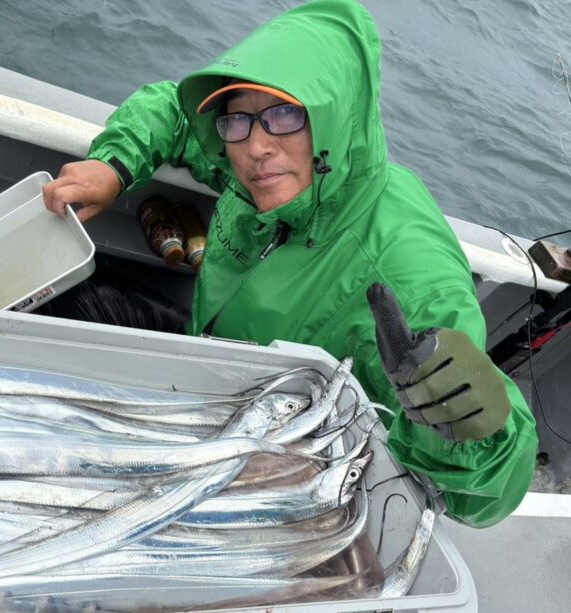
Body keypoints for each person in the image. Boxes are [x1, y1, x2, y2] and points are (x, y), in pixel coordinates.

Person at [42, 0, 538, 527]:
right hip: (206, 371)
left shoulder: (407, 273)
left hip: (276, 455)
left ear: (333, 120)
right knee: (56, 293)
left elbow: (489, 496)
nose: (257, 147)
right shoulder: (262, 166)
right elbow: (172, 109)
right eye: (239, 118)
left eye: (286, 115)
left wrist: (464, 427)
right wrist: (114, 164)